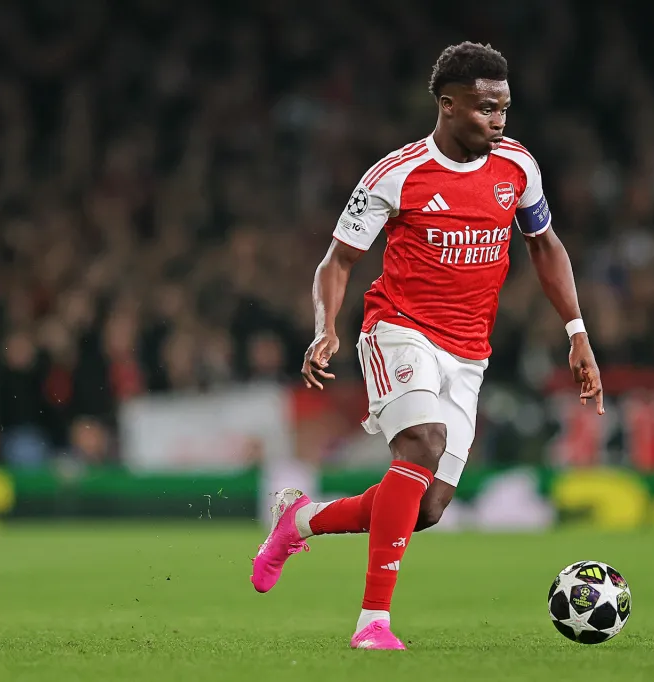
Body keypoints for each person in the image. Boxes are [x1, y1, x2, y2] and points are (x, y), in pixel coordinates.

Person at [250, 42, 603, 650]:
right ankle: (373, 624)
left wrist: (577, 332)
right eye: (486, 108)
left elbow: (545, 246)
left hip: (469, 355)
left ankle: (299, 520)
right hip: (398, 329)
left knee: (425, 508)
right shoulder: (397, 173)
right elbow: (337, 261)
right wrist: (325, 326)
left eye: (505, 108)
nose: (498, 120)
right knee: (421, 444)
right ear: (447, 104)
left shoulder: (518, 167)